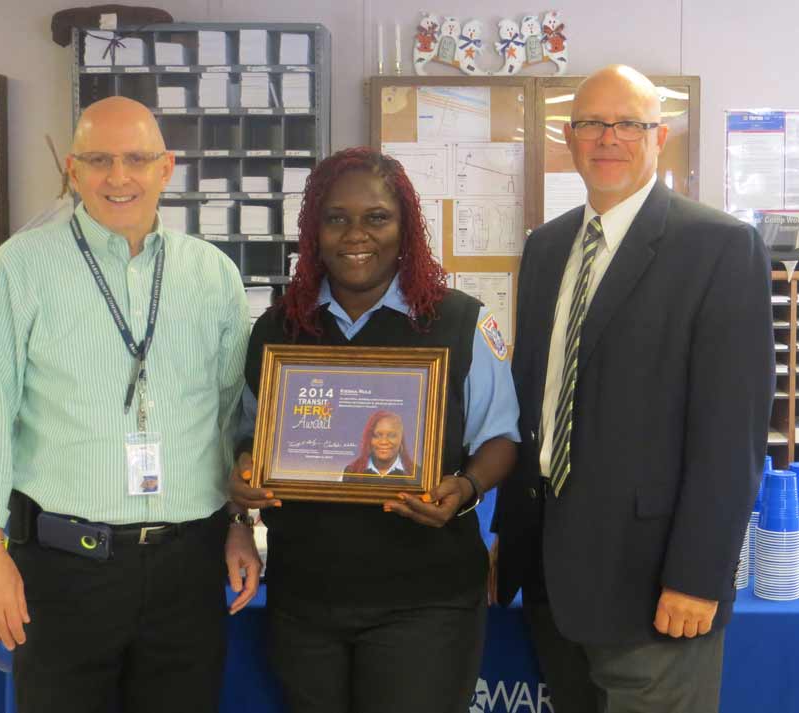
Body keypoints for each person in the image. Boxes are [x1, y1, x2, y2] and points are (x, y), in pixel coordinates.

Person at [0, 96, 261, 713]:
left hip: (187, 568)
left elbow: (230, 417)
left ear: (166, 168)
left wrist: (237, 523)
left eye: (137, 159)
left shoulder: (214, 276)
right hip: (66, 568)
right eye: (98, 160)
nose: (118, 177)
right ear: (72, 169)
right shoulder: (20, 269)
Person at [491, 65, 774, 712]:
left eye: (629, 124)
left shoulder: (720, 247)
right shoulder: (546, 247)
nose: (607, 138)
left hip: (657, 589)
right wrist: (508, 537)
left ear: (659, 137)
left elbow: (731, 436)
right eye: (592, 122)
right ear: (568, 136)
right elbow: (532, 404)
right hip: (552, 579)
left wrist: (698, 576)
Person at [231, 147, 520, 713]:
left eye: (376, 217)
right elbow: (248, 435)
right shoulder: (278, 328)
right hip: (305, 601)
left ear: (404, 227)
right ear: (314, 232)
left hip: (426, 604)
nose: (355, 234)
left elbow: (500, 438)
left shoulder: (461, 322)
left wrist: (463, 490)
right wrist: (244, 474)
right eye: (336, 218)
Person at [344, 410, 412, 476]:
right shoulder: (351, 472)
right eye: (376, 435)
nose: (384, 442)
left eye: (392, 435)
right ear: (369, 439)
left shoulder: (418, 474)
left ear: (401, 439)